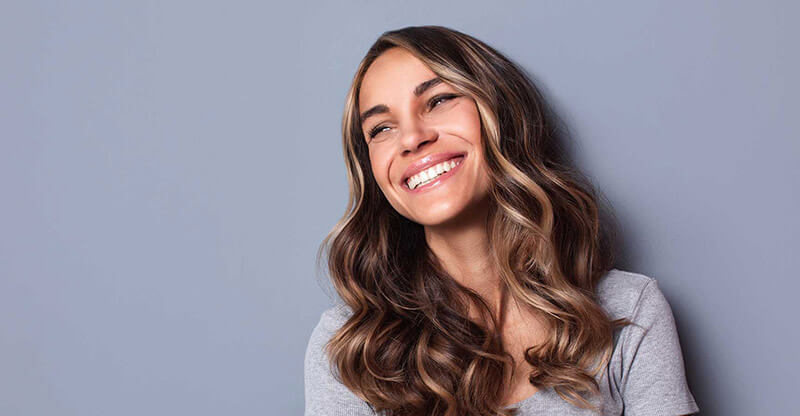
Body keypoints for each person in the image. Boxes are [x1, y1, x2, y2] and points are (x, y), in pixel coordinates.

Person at [304, 25, 699, 416]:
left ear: (500, 112)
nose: (411, 138)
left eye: (438, 100)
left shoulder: (628, 312)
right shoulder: (351, 348)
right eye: (381, 128)